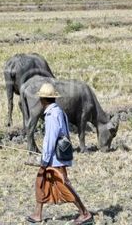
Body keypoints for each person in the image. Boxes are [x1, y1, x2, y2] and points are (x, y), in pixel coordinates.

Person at [25, 83, 93, 224]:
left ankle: (84, 213)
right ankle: (37, 213)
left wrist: (44, 160)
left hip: (55, 158)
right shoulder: (58, 111)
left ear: (43, 99)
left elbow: (51, 139)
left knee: (64, 185)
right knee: (41, 181)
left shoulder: (52, 115)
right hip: (57, 156)